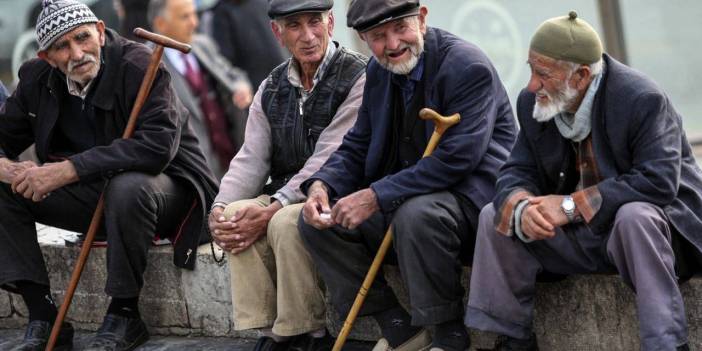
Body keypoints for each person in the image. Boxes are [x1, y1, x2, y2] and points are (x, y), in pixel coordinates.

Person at [464, 11, 702, 351]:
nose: (532, 84)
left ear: (581, 77)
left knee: (635, 216)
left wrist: (569, 206)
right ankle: (513, 339)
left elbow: (659, 182)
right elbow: (516, 171)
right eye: (531, 69)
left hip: (651, 239)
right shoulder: (534, 101)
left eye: (542, 74)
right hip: (581, 237)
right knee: (496, 215)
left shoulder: (642, 99)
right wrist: (521, 207)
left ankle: (666, 343)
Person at [298, 1, 516, 350]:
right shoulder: (379, 72)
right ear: (364, 38)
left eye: (401, 28)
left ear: (423, 18)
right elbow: (358, 144)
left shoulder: (466, 66)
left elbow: (457, 160)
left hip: (473, 201)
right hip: (406, 197)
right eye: (379, 36)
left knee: (416, 215)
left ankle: (449, 334)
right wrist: (322, 185)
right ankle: (398, 326)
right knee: (318, 223)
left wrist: (375, 196)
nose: (394, 44)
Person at [0, 0, 218, 350]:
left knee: (126, 186)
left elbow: (157, 148)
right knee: (4, 188)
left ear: (100, 32)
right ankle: (43, 315)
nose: (76, 53)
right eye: (62, 46)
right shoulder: (36, 78)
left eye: (82, 38)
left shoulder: (140, 65)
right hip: (93, 195)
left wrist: (69, 169)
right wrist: (9, 169)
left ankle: (125, 314)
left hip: (167, 194)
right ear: (47, 58)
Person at [207, 0, 367, 350]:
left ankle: (306, 331)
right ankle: (270, 331)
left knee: (284, 222)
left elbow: (330, 155)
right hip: (284, 190)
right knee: (235, 216)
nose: (308, 35)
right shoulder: (272, 85)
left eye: (315, 22)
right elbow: (250, 158)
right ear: (277, 33)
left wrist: (276, 205)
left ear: (331, 24)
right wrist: (219, 208)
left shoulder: (358, 76)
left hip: (338, 191)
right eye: (295, 25)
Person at [149, 0, 254, 177]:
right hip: (197, 172)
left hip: (236, 160)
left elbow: (233, 75)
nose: (194, 23)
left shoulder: (203, 45)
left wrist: (241, 87)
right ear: (160, 23)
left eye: (194, 14)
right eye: (185, 17)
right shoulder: (148, 65)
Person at [210, 0, 288, 88]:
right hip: (258, 89)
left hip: (287, 77)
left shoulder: (265, 3)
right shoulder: (222, 12)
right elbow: (226, 60)